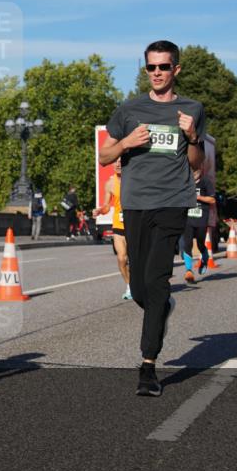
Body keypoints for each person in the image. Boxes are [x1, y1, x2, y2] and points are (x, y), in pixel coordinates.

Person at [100, 40, 206, 397]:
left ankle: (148, 365)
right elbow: (104, 156)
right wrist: (127, 142)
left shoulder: (192, 109)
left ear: (176, 69)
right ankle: (162, 306)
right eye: (151, 67)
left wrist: (192, 136)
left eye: (164, 67)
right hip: (134, 204)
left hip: (173, 202)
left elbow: (196, 163)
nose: (157, 73)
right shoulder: (130, 109)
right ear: (145, 69)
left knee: (158, 280)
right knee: (142, 288)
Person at [97, 159, 131, 299]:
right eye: (115, 162)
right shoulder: (110, 184)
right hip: (118, 225)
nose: (118, 164)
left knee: (137, 259)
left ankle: (142, 284)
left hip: (135, 225)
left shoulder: (133, 180)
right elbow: (106, 206)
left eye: (121, 162)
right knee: (121, 258)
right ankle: (130, 286)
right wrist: (100, 211)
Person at [181, 167, 215, 284]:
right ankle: (189, 270)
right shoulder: (185, 182)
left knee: (200, 243)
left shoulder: (206, 182)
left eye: (196, 171)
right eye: (191, 170)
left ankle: (204, 257)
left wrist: (199, 197)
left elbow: (212, 200)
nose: (194, 173)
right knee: (187, 243)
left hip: (201, 218)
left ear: (200, 171)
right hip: (188, 218)